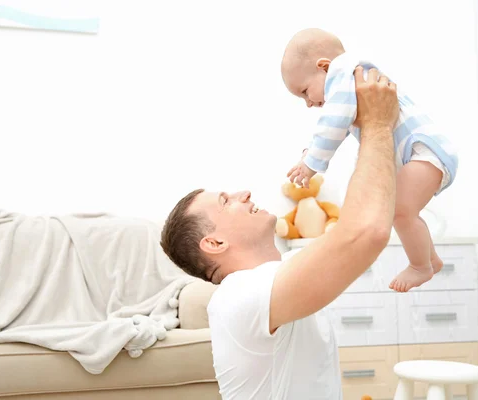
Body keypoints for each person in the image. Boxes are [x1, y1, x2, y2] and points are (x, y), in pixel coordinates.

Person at [160, 65, 399, 399]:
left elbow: (363, 225)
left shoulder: (281, 271)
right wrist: (377, 124)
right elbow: (365, 232)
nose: (243, 193)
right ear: (215, 242)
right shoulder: (238, 296)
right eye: (226, 201)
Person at [282, 28, 458, 293]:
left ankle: (421, 266)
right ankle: (429, 258)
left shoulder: (343, 73)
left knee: (400, 211)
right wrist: (311, 152)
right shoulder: (352, 80)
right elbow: (337, 128)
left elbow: (334, 122)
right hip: (423, 152)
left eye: (305, 91)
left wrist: (311, 163)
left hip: (425, 150)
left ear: (324, 66)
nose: (308, 103)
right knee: (403, 211)